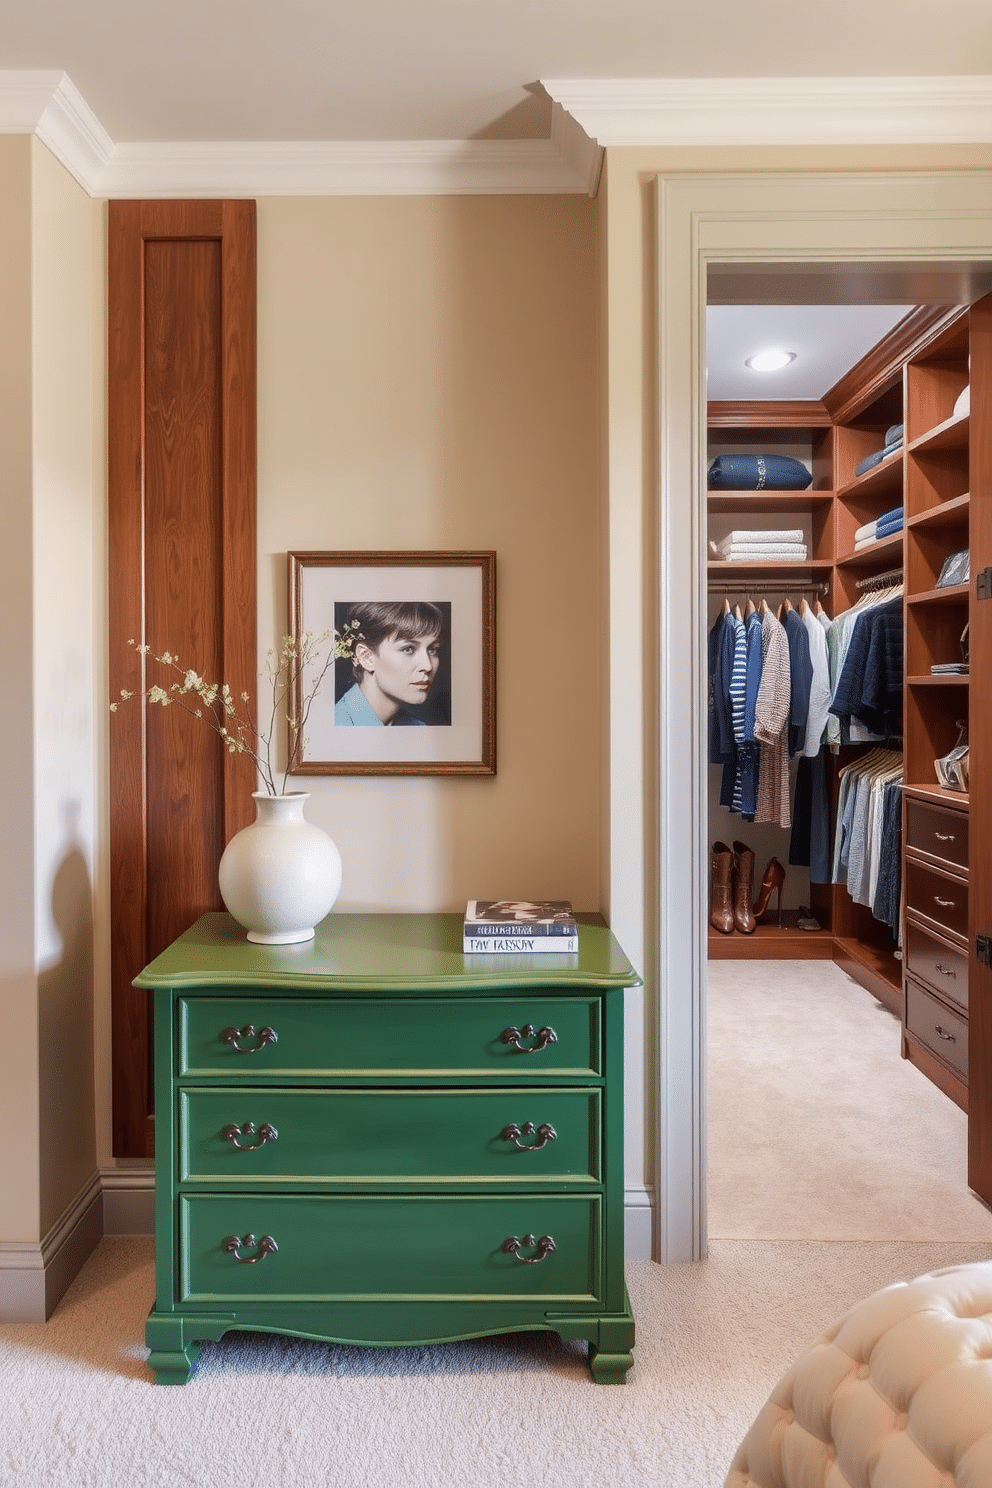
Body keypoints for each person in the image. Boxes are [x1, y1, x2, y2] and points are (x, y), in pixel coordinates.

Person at [334, 600, 444, 726]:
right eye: (408, 649)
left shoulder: (418, 728)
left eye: (432, 650)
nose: (428, 666)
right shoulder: (335, 726)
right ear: (366, 657)